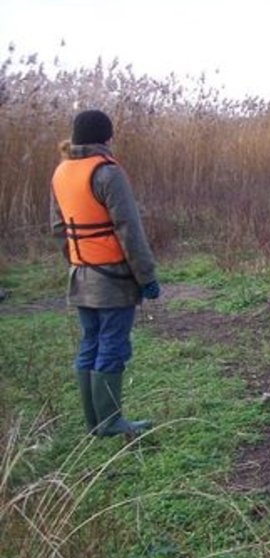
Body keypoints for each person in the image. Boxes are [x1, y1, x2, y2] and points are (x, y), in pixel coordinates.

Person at [50, 109, 160, 437]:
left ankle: (94, 423)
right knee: (112, 344)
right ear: (106, 138)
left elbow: (58, 228)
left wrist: (79, 260)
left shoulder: (61, 172)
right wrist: (147, 277)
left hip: (80, 275)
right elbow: (130, 230)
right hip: (113, 278)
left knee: (90, 343)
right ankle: (110, 422)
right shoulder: (108, 173)